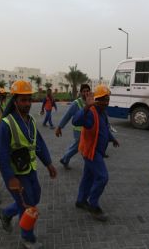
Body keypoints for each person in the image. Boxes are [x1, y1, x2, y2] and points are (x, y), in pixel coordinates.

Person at [0, 80, 57, 249]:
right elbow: (1, 155)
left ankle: (6, 213)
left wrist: (49, 163)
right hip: (16, 174)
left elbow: (39, 144)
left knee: (35, 197)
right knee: (28, 205)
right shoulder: (6, 124)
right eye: (23, 100)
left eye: (29, 99)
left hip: (30, 170)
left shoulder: (30, 120)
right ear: (15, 101)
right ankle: (27, 238)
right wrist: (10, 178)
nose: (27, 103)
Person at [72, 84, 119, 222]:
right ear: (96, 99)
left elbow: (104, 129)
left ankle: (80, 200)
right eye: (103, 99)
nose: (106, 102)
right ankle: (93, 204)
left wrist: (112, 139)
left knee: (88, 177)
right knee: (102, 177)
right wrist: (86, 106)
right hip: (90, 152)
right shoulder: (91, 113)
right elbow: (75, 120)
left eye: (107, 99)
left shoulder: (103, 113)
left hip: (96, 151)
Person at [55, 84, 91, 169]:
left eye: (87, 91)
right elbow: (67, 115)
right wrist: (59, 127)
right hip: (78, 131)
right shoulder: (76, 103)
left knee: (77, 147)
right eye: (84, 91)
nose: (86, 93)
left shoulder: (90, 102)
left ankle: (65, 159)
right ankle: (89, 166)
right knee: (80, 147)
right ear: (80, 93)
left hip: (88, 130)